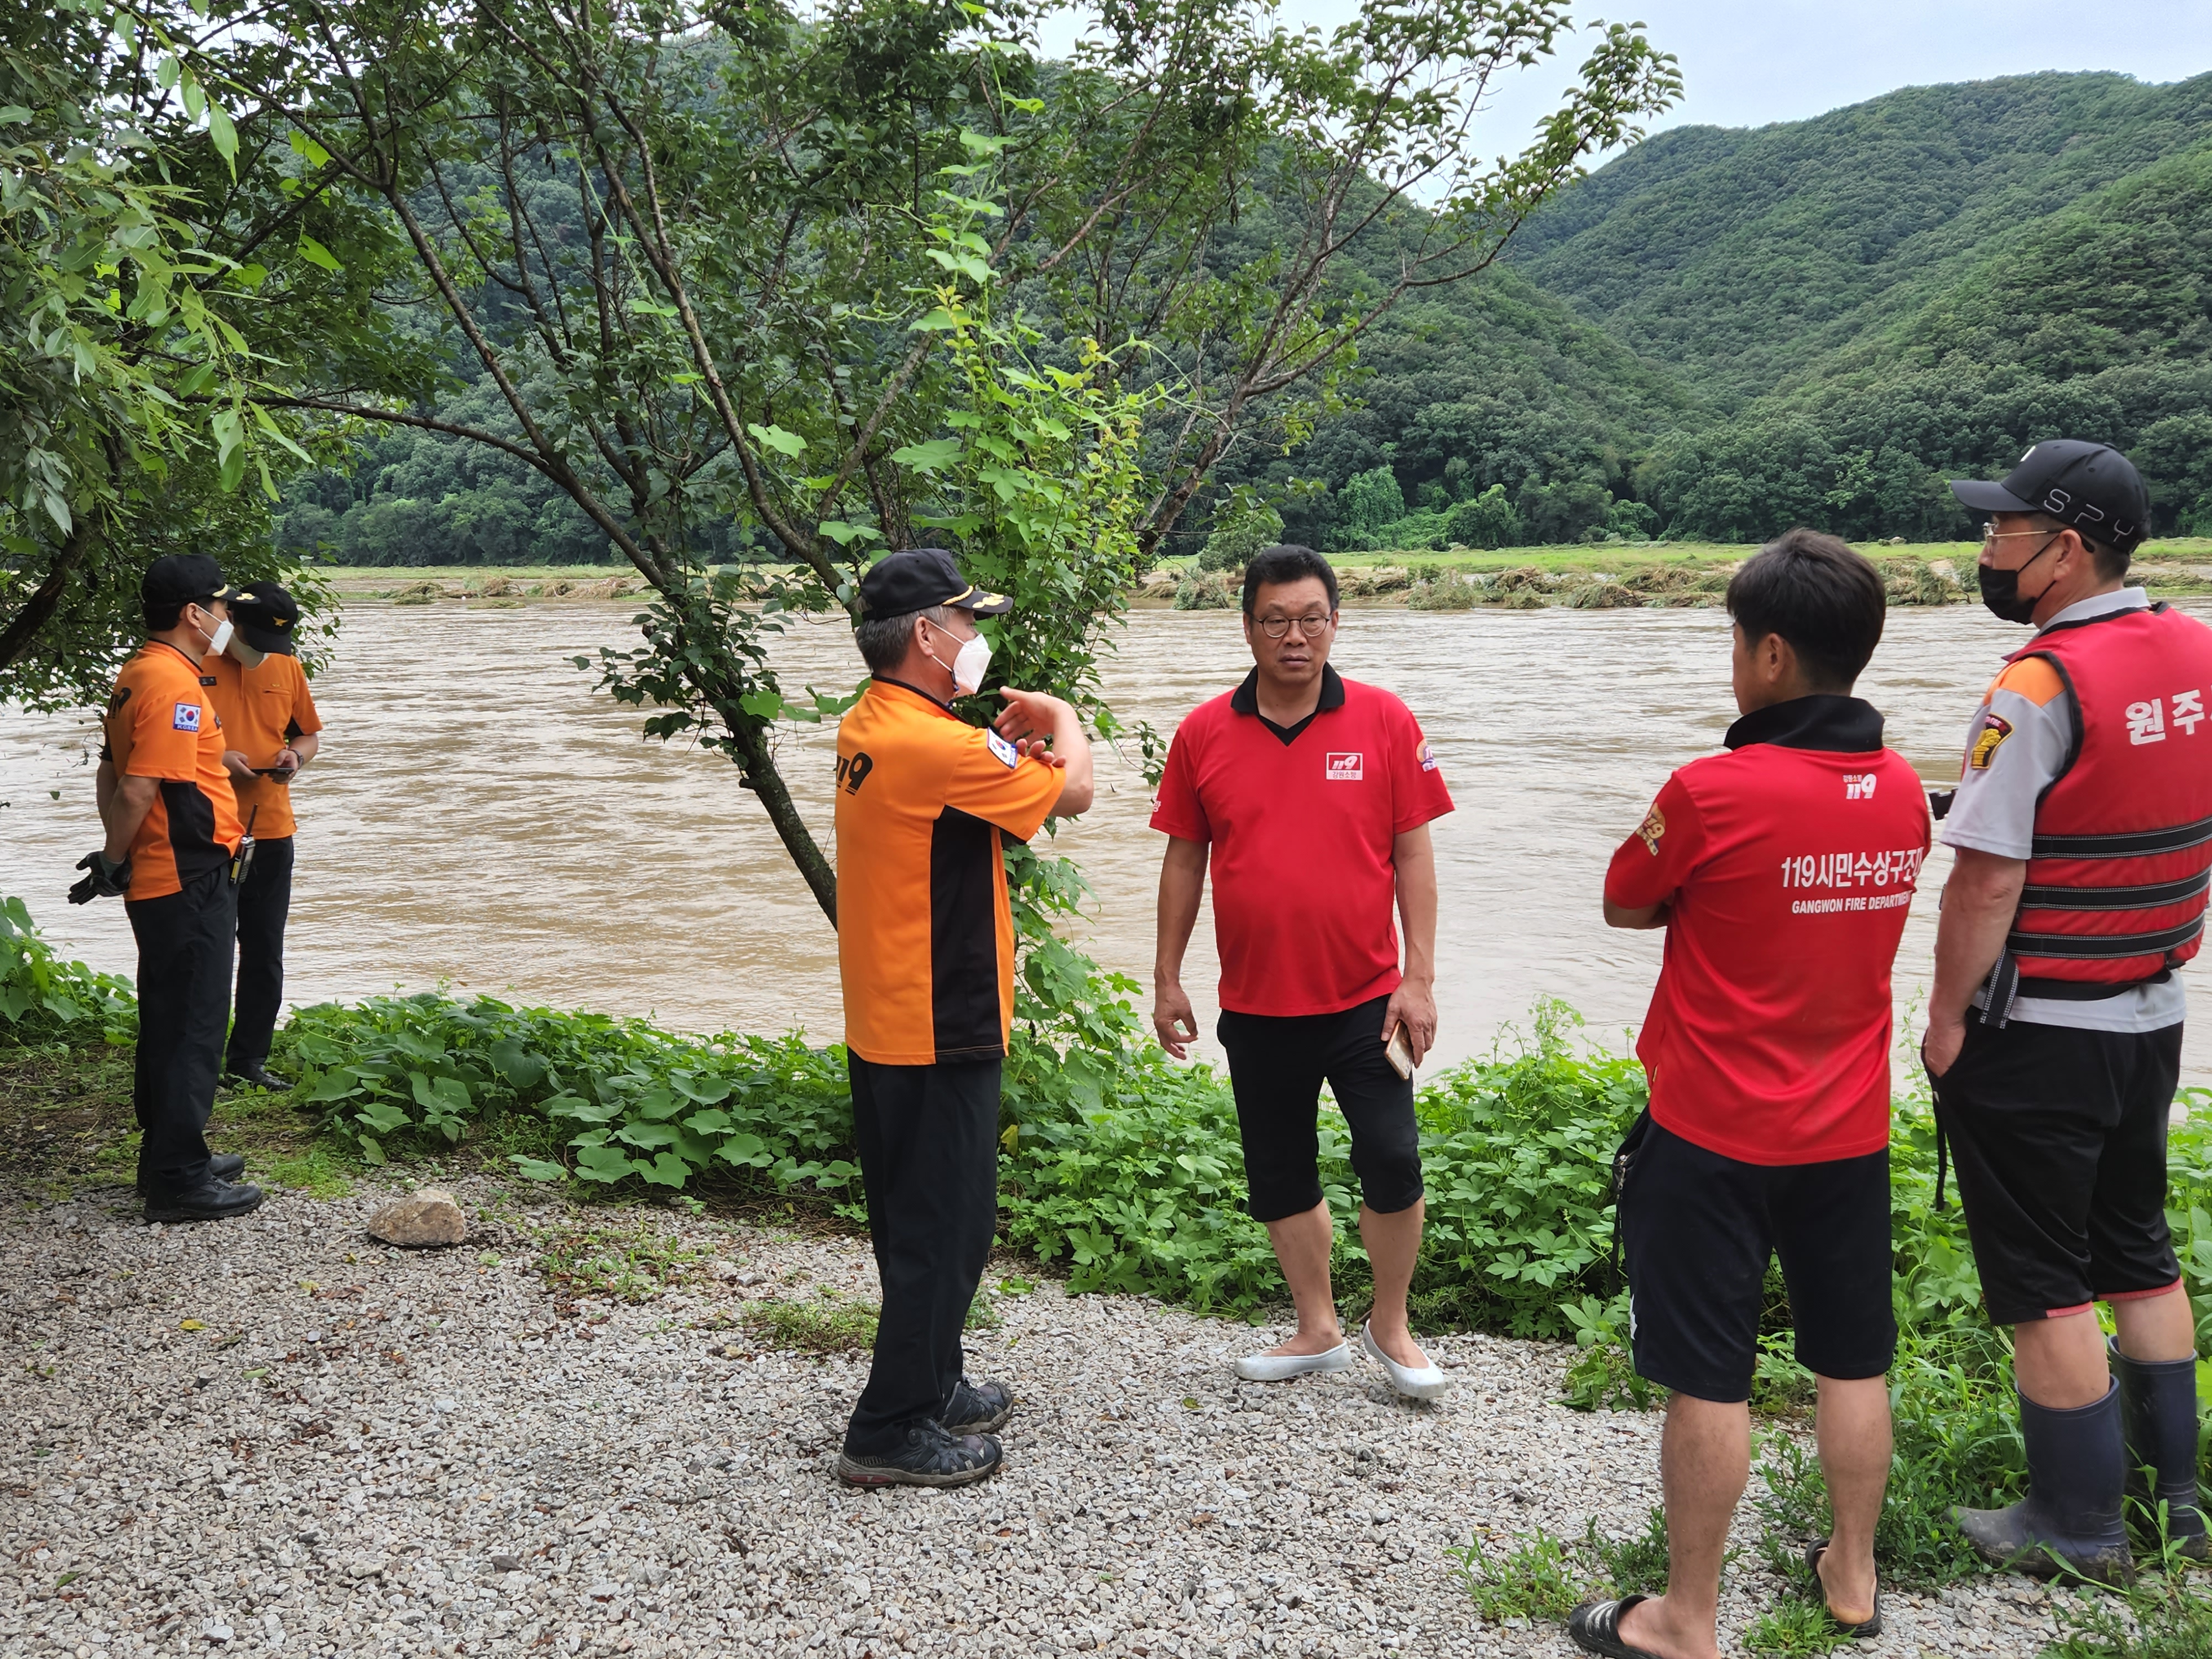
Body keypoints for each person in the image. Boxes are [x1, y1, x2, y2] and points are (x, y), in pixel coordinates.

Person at [1573, 531, 1929, 1659]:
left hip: (1710, 1133)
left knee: (1708, 1378)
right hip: (1846, 1131)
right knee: (1851, 1358)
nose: (1733, 661)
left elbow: (1625, 901)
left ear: (1770, 654)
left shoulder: (1708, 790)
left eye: (1735, 642)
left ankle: (1686, 1619)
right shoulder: (1902, 789)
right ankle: (1852, 1573)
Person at [1923, 441, 2210, 1580]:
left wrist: (1946, 1017)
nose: (1988, 549)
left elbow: (1985, 882)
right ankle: (2174, 1506)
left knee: (2043, 1278)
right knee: (2137, 1250)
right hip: (2151, 1010)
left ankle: (2077, 1525)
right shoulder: (2195, 650)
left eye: (2003, 531)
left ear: (2067, 548)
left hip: (2040, 1024)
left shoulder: (2037, 685)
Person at [1150, 544, 1454, 1399]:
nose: (1296, 636)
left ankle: (1390, 1325)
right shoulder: (1203, 733)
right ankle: (1317, 1328)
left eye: (1312, 618)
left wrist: (1419, 979)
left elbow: (1414, 855)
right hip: (1256, 1003)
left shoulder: (1386, 721)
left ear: (1335, 623)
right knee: (1280, 1173)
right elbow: (1184, 861)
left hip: (1368, 1000)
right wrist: (1166, 977)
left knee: (1393, 1159)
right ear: (1247, 626)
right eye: (1276, 620)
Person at [832, 547, 1094, 1488]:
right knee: (947, 1228)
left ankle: (935, 1383)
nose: (976, 635)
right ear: (925, 634)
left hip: (889, 1013)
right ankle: (888, 1428)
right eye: (967, 620)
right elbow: (1075, 791)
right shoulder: (938, 745)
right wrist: (1062, 719)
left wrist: (1009, 753)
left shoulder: (871, 722)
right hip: (939, 1018)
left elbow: (957, 805)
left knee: (924, 1219)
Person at [72, 555, 265, 1222]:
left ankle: (168, 1155)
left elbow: (109, 773)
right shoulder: (173, 684)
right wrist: (114, 860)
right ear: (193, 614)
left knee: (168, 1017)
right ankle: (178, 1181)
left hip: (167, 876)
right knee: (194, 1026)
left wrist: (119, 856)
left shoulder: (139, 672)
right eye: (222, 606)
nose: (228, 618)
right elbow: (136, 788)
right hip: (188, 878)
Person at [203, 580, 324, 1091]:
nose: (264, 651)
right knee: (205, 951)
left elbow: (308, 734)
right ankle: (197, 1062)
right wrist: (216, 758)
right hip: (205, 829)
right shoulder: (192, 663)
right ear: (229, 619)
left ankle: (249, 1061)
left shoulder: (286, 667)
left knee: (264, 950)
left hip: (270, 828)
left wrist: (295, 757)